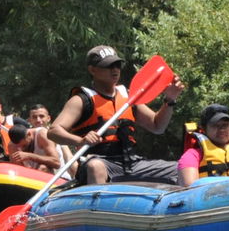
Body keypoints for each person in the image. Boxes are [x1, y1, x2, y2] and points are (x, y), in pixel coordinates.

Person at [47, 45, 186, 185]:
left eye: (117, 65)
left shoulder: (129, 96)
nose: (115, 69)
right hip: (100, 162)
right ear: (92, 70)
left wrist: (170, 100)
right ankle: (98, 204)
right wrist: (80, 141)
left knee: (180, 168)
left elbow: (157, 126)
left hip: (132, 163)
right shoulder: (81, 100)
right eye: (108, 66)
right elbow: (53, 132)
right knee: (95, 166)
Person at [178, 104, 229, 185]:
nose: (221, 129)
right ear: (204, 129)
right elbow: (189, 187)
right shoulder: (192, 155)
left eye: (225, 125)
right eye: (215, 125)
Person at [9, 104, 63, 173]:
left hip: (57, 176)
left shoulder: (43, 135)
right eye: (19, 147)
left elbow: (57, 163)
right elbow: (18, 171)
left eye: (24, 146)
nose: (22, 149)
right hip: (32, 178)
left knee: (43, 167)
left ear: (29, 135)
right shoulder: (12, 145)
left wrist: (29, 156)